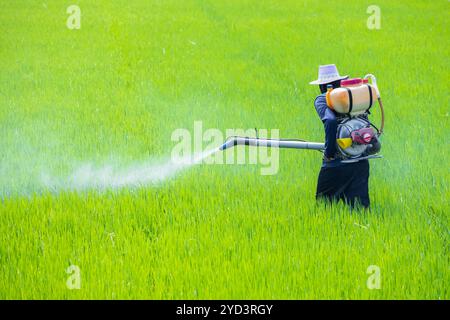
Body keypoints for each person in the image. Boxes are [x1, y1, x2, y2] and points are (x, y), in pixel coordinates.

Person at [309, 64, 370, 209]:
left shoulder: (323, 98)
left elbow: (330, 121)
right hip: (361, 160)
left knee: (323, 210)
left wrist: (329, 153)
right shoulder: (354, 95)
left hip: (336, 163)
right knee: (359, 211)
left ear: (323, 86)